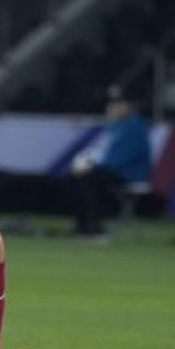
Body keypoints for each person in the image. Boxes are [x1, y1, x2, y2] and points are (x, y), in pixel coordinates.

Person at [68, 85, 152, 238]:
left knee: (89, 177)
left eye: (118, 104)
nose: (113, 108)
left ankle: (94, 225)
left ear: (129, 106)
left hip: (129, 174)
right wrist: (88, 164)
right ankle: (82, 224)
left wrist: (92, 167)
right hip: (113, 170)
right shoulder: (114, 126)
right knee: (74, 176)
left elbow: (123, 158)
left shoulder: (135, 127)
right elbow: (103, 153)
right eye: (111, 104)